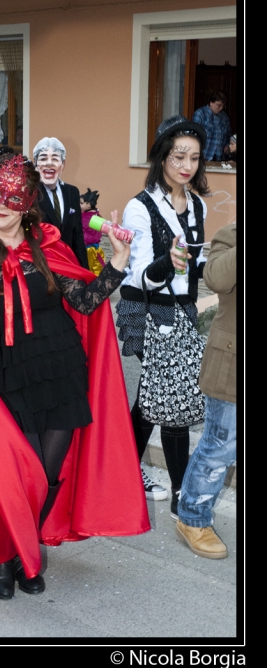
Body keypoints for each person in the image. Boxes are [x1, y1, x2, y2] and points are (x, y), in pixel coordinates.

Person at [0, 154, 150, 600]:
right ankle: (0, 554)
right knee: (13, 471)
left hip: (59, 369)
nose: (1, 204)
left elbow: (84, 301)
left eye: (13, 197)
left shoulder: (49, 247)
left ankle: (25, 549)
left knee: (46, 472)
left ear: (28, 204)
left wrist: (117, 262)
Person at [115, 115, 209, 517]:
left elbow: (198, 265)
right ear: (162, 157)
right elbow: (136, 276)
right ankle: (179, 496)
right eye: (178, 157)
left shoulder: (198, 202)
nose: (186, 165)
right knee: (172, 401)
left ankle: (123, 470)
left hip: (184, 313)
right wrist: (167, 263)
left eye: (194, 157)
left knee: (152, 398)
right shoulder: (141, 206)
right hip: (150, 311)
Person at [176, 222, 236, 559]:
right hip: (231, 365)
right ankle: (193, 519)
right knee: (219, 448)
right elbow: (216, 279)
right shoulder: (232, 235)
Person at [33, 137, 88, 268]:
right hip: (40, 268)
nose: (49, 163)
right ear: (35, 164)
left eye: (55, 159)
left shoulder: (72, 192)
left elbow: (77, 237)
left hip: (68, 267)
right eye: (43, 158)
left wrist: (85, 272)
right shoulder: (29, 194)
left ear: (63, 165)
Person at [192, 90, 232, 162]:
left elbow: (228, 134)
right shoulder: (200, 114)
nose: (221, 108)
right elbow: (195, 135)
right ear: (211, 103)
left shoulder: (224, 117)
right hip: (203, 155)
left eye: (223, 105)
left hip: (219, 156)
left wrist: (227, 145)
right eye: (218, 105)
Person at [80, 188, 106, 276]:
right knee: (96, 270)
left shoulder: (86, 218)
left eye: (81, 203)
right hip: (96, 249)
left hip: (88, 249)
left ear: (89, 204)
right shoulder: (97, 216)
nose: (79, 205)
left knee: (86, 270)